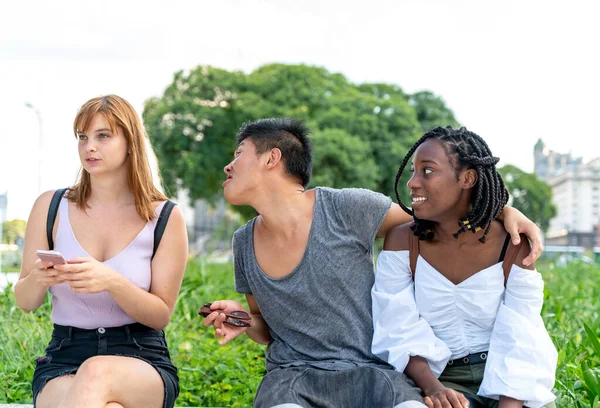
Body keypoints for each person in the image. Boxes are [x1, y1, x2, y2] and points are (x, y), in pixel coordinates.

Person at [202, 118, 543, 408]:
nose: (227, 166)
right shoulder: (243, 243)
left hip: (373, 374)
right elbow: (265, 327)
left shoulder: (347, 208)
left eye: (238, 154)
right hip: (294, 379)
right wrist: (246, 321)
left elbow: (435, 212)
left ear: (271, 158)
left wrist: (503, 210)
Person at [14, 95, 188, 408]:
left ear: (130, 142)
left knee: (95, 373)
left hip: (141, 357)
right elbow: (26, 302)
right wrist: (38, 278)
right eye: (83, 137)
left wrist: (112, 281)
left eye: (103, 136)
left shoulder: (165, 217)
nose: (89, 147)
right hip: (65, 358)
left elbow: (160, 315)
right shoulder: (50, 206)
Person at [371, 126, 557, 408]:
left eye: (428, 171)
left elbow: (522, 333)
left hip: (510, 381)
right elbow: (397, 326)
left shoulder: (513, 243)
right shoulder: (402, 241)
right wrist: (434, 389)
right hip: (438, 377)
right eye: (413, 171)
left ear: (467, 178)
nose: (412, 182)